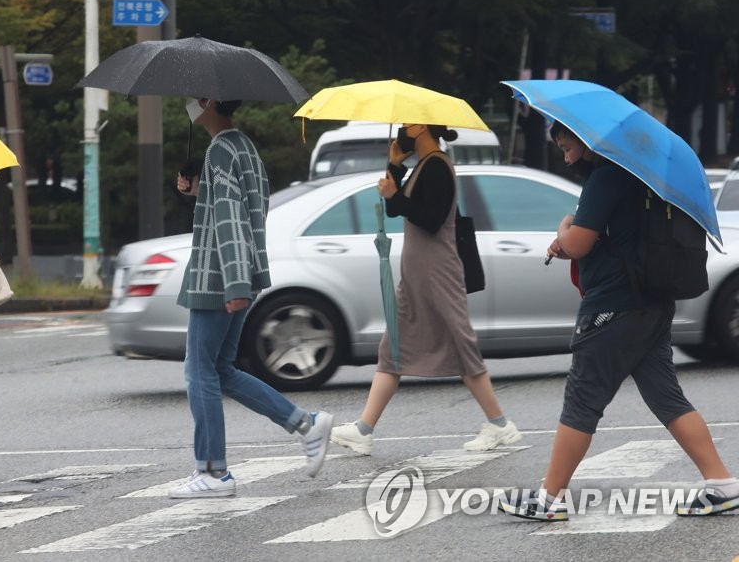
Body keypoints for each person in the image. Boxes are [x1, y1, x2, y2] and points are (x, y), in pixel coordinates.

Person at [500, 122, 738, 520]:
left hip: (614, 305)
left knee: (582, 397)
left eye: (565, 143)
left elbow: (576, 243)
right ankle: (721, 482)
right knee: (666, 397)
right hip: (653, 303)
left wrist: (563, 230)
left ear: (584, 136)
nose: (564, 152)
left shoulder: (605, 177)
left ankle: (549, 498)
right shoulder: (641, 177)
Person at [170, 96, 333, 499]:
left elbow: (229, 219)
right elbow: (237, 208)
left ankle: (213, 471)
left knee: (199, 372)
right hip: (235, 272)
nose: (189, 104)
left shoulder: (221, 150)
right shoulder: (240, 146)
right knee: (221, 369)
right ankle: (305, 425)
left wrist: (235, 284)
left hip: (217, 276)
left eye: (194, 99)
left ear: (209, 101)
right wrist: (198, 191)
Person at [331, 123, 521, 456]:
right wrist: (394, 165)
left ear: (420, 126)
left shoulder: (437, 166)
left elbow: (430, 218)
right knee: (393, 348)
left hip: (437, 272)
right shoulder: (423, 165)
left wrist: (395, 196)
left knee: (462, 345)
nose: (403, 128)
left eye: (407, 123)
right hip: (418, 274)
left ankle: (500, 424)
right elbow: (395, 208)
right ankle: (363, 429)